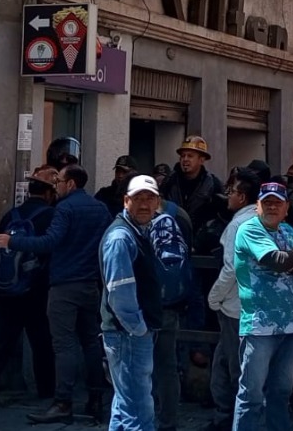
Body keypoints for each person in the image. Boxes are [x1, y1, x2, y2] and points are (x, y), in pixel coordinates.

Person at [6, 164, 113, 424]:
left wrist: (12, 241)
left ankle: (63, 401)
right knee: (91, 342)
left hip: (64, 284)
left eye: (60, 181)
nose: (57, 186)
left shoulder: (64, 208)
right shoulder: (100, 208)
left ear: (71, 184)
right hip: (90, 284)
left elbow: (49, 242)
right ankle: (96, 399)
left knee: (63, 344)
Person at [0, 166, 58, 407]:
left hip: (8, 287)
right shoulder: (51, 216)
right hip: (37, 289)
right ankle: (47, 391)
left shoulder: (12, 215)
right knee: (41, 342)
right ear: (50, 193)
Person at [232, 182, 293, 431]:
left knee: (281, 392)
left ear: (287, 207)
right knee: (251, 396)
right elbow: (277, 260)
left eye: (277, 203)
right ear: (257, 206)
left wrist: (292, 257)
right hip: (258, 326)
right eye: (266, 203)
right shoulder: (249, 229)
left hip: (288, 326)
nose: (272, 207)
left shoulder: (286, 230)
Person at [100, 175, 164, 431]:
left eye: (150, 198)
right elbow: (119, 293)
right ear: (126, 201)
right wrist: (138, 328)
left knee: (125, 405)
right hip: (127, 334)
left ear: (158, 202)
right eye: (138, 199)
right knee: (137, 411)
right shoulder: (121, 238)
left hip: (127, 332)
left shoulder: (137, 231)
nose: (144, 205)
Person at [202, 171, 261, 431]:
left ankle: (234, 419)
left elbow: (231, 269)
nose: (228, 196)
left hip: (235, 306)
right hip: (252, 304)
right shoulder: (261, 219)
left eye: (232, 192)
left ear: (242, 196)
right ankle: (227, 415)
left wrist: (213, 298)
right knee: (228, 362)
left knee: (235, 366)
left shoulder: (238, 225)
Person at [161, 136, 225, 236]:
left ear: (201, 160)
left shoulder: (213, 184)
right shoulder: (169, 181)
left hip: (201, 245)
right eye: (183, 156)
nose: (185, 159)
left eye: (190, 156)